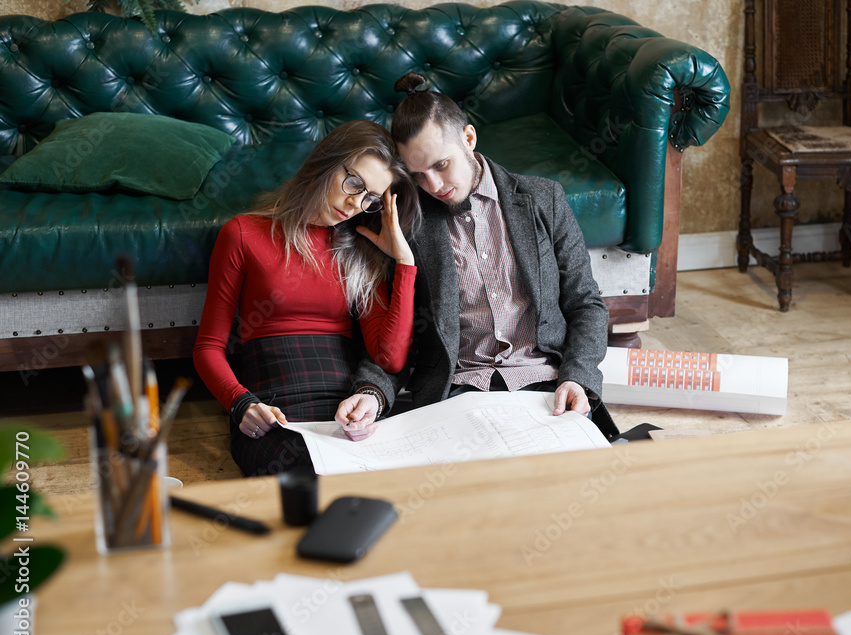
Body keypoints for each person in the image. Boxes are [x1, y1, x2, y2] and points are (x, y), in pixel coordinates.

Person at [335, 72, 616, 440]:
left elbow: (586, 304)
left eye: (440, 165)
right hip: (457, 392)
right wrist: (372, 391)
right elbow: (403, 330)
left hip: (547, 386)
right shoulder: (407, 221)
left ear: (468, 138)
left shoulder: (543, 199)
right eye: (418, 176)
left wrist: (578, 377)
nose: (433, 187)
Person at [193, 120, 420, 476]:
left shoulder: (359, 251)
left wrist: (404, 262)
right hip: (274, 413)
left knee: (390, 478)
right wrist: (239, 403)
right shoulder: (242, 233)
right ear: (326, 161)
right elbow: (207, 347)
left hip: (344, 411)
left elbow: (388, 358)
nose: (355, 203)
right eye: (354, 182)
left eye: (370, 198)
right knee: (307, 484)